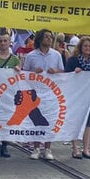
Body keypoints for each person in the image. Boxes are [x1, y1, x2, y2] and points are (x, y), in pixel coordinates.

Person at [22, 29, 64, 160]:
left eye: (50, 37)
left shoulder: (56, 55)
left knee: (50, 120)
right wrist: (34, 72)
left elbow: (63, 72)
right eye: (46, 37)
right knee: (37, 120)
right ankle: (36, 148)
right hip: (36, 93)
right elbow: (24, 74)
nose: (49, 39)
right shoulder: (31, 56)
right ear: (40, 39)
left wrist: (55, 71)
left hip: (51, 93)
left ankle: (47, 148)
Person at [65, 36, 90, 159]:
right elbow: (66, 77)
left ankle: (86, 149)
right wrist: (74, 73)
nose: (87, 48)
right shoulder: (73, 60)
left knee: (88, 122)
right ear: (80, 47)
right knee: (76, 120)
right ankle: (75, 148)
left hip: (89, 96)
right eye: (85, 46)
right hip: (76, 96)